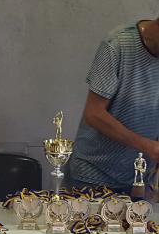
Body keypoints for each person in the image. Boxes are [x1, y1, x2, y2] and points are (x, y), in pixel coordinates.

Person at [68, 16, 159, 193]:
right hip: (93, 176)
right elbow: (94, 114)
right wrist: (147, 146)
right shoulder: (117, 45)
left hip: (139, 179)